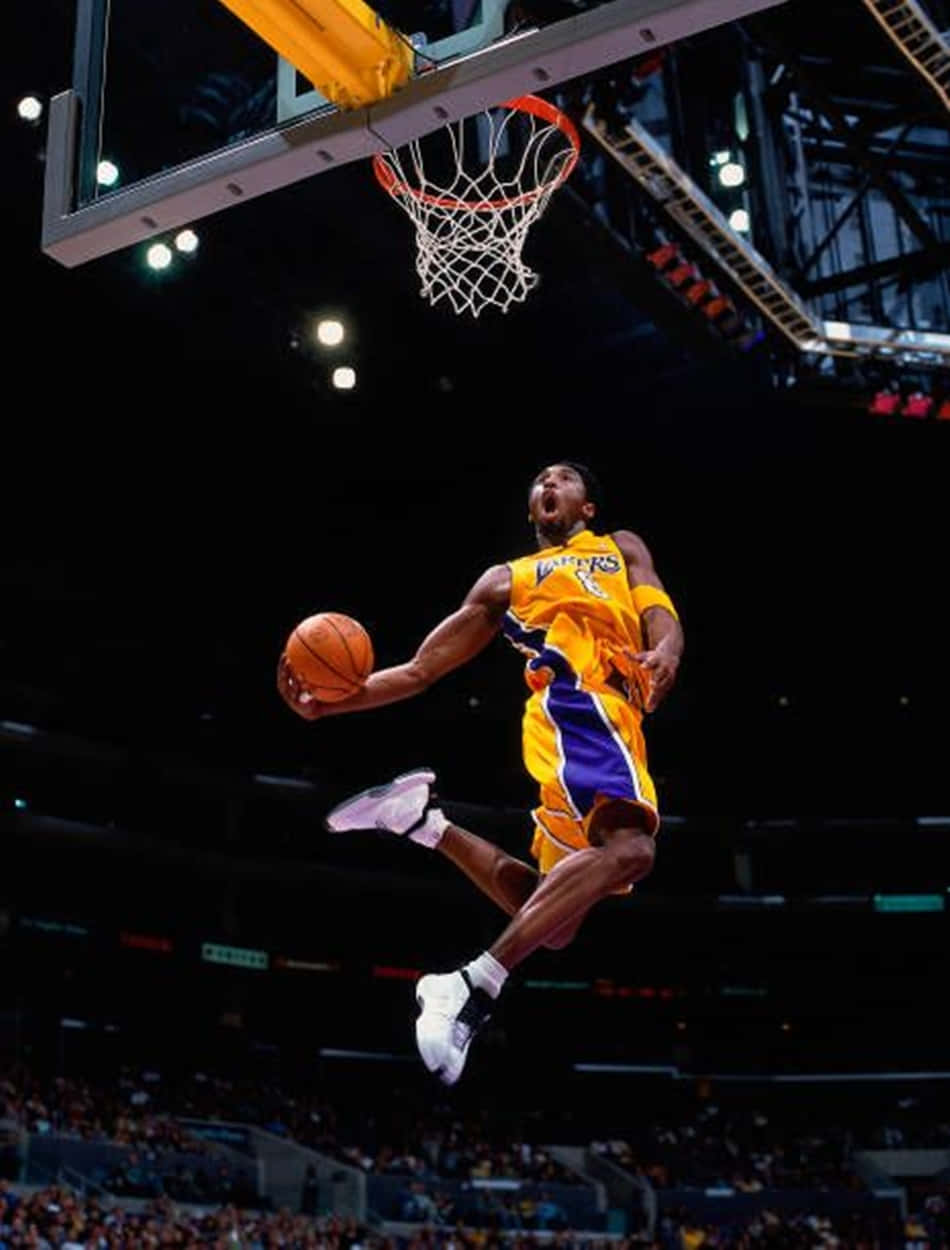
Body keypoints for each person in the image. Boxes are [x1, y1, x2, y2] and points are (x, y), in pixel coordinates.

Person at [277, 462, 684, 1085]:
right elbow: (420, 670)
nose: (549, 484)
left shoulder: (619, 547)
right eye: (541, 480)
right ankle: (471, 984)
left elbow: (660, 611)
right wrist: (327, 705)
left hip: (618, 722)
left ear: (587, 507)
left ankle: (423, 823)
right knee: (632, 851)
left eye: (564, 478)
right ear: (531, 508)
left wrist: (667, 652)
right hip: (577, 705)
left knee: (554, 923)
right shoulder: (506, 580)